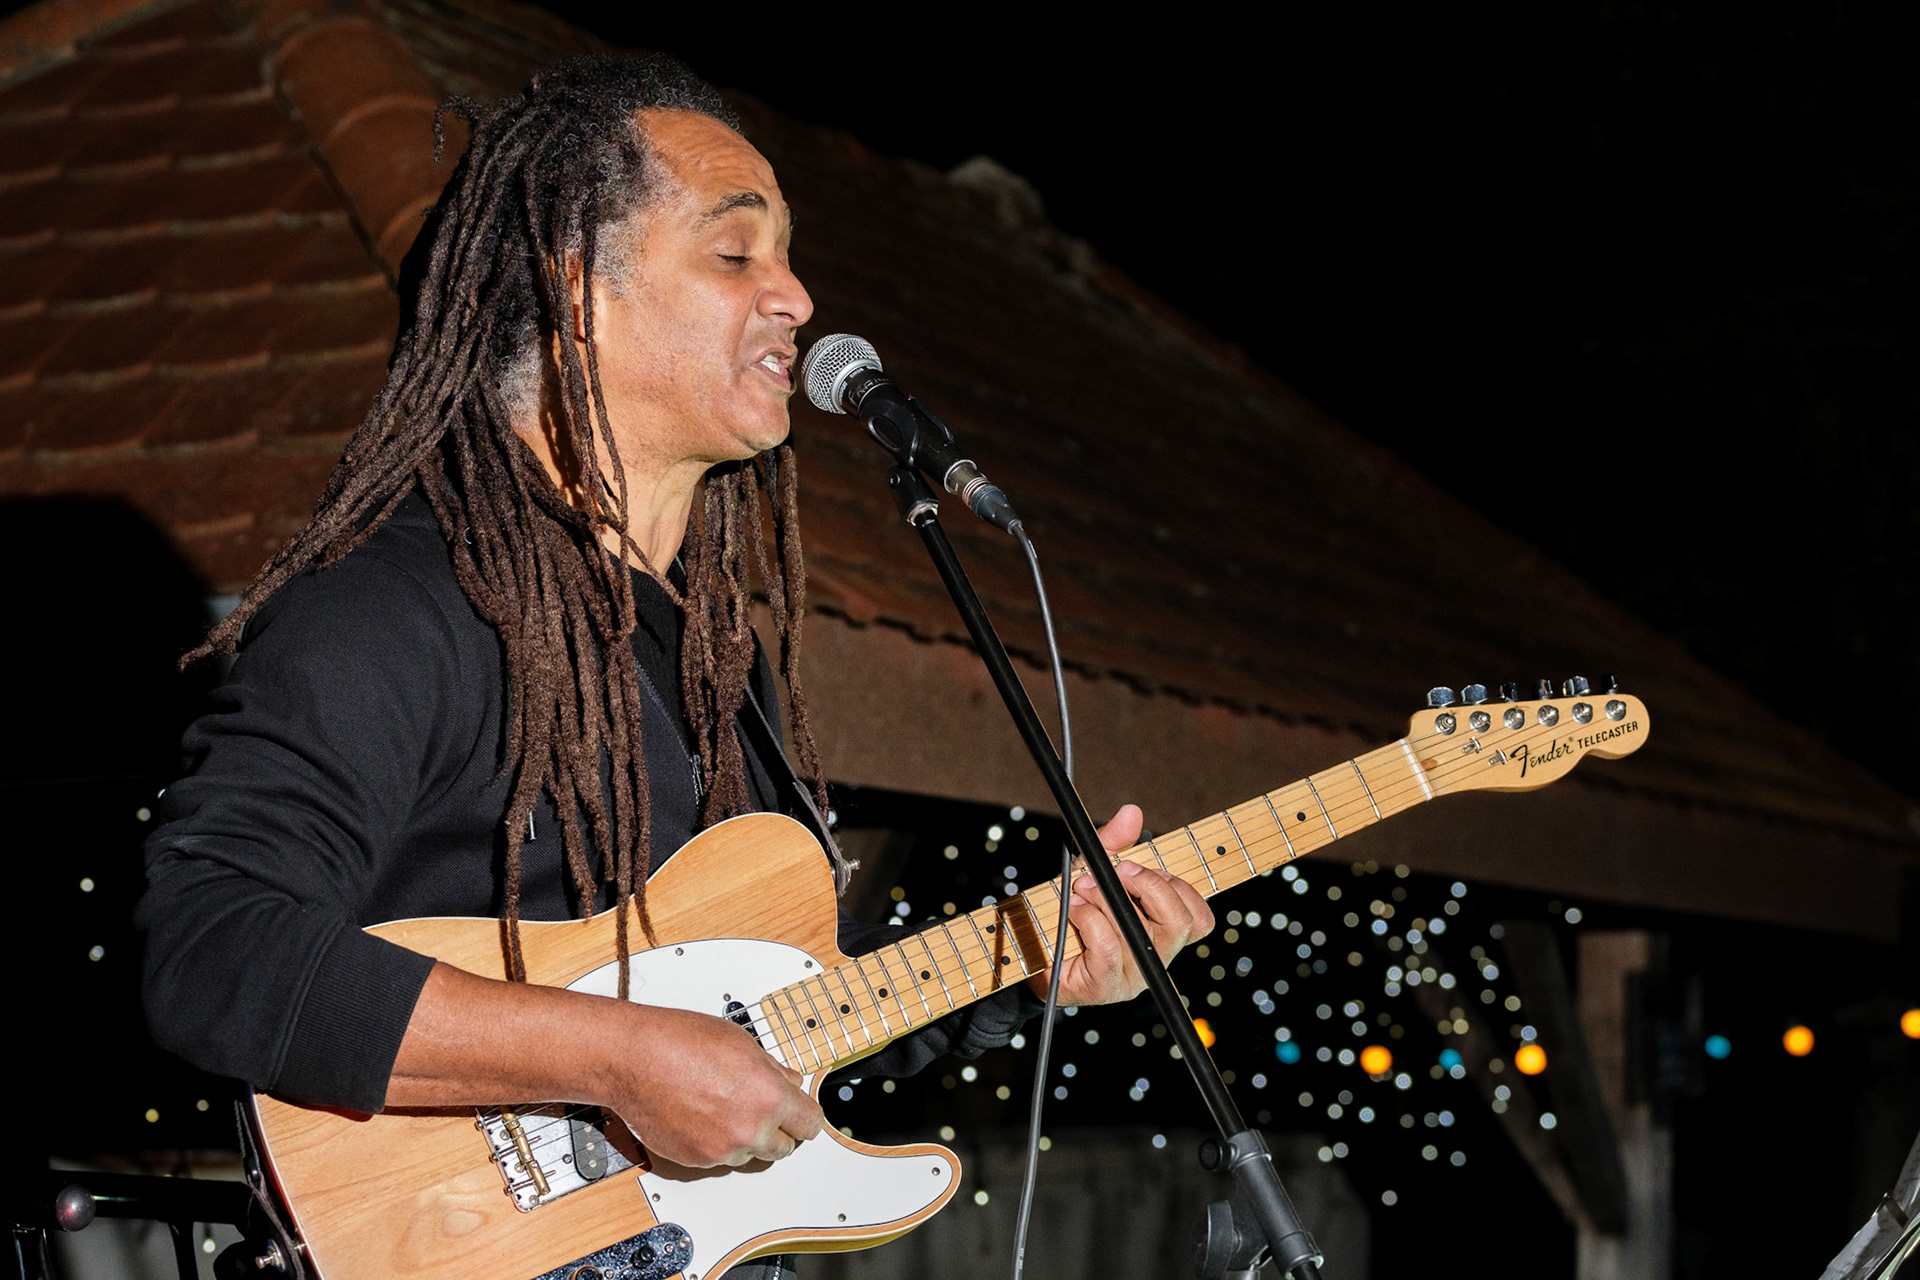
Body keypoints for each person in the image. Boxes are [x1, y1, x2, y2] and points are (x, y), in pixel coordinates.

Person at [138, 54, 1211, 1275]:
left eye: (788, 257)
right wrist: (618, 1057)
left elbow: (770, 1017)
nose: (797, 296)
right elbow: (210, 944)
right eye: (736, 252)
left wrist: (1026, 961)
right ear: (575, 290)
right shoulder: (396, 608)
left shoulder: (713, 656)